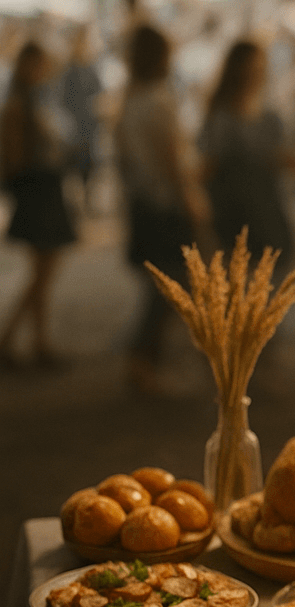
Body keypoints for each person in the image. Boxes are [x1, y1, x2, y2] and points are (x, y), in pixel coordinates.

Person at [116, 25, 209, 394]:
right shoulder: (158, 100)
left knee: (163, 286)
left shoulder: (131, 100)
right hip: (165, 208)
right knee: (170, 286)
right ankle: (142, 360)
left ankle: (144, 361)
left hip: (144, 205)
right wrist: (191, 200)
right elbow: (171, 161)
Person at [0, 42, 74, 368]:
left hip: (43, 188)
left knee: (43, 274)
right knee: (42, 274)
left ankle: (35, 341)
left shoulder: (36, 99)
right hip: (37, 190)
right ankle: (20, 340)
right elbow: (15, 157)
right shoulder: (19, 105)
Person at [198, 41, 294, 261]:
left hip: (266, 211)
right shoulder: (221, 116)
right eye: (251, 68)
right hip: (230, 212)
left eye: (260, 68)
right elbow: (208, 166)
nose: (256, 74)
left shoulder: (271, 117)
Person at [58, 24, 104, 211]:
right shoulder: (68, 70)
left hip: (89, 126)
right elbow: (64, 100)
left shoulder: (90, 68)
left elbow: (99, 93)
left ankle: (85, 200)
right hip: (74, 127)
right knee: (75, 167)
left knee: (88, 166)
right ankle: (77, 202)